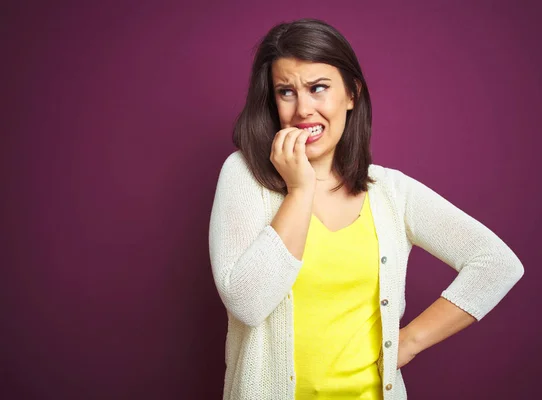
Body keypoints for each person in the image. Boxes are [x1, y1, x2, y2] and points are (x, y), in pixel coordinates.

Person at [208, 18, 524, 400]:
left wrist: (408, 341)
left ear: (352, 94)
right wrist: (299, 190)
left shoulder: (391, 192)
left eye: (318, 88)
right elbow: (247, 303)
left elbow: (496, 264)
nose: (304, 108)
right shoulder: (244, 175)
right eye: (286, 92)